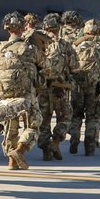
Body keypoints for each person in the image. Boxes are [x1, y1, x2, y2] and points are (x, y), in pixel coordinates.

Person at [0, 11, 46, 170]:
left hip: (4, 92)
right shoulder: (29, 48)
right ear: (23, 27)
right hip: (26, 93)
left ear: (7, 29)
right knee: (34, 123)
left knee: (10, 126)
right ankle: (20, 150)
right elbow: (44, 64)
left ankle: (11, 161)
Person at [69, 19, 100, 156]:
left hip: (76, 87)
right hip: (95, 88)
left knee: (75, 115)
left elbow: (66, 65)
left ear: (85, 31)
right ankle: (90, 146)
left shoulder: (75, 46)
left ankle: (74, 140)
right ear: (99, 32)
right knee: (93, 116)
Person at [37, 13, 78, 161]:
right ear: (58, 28)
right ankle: (55, 142)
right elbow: (75, 66)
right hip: (60, 89)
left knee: (43, 121)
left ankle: (46, 150)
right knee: (65, 117)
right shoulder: (65, 46)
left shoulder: (38, 44)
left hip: (42, 89)